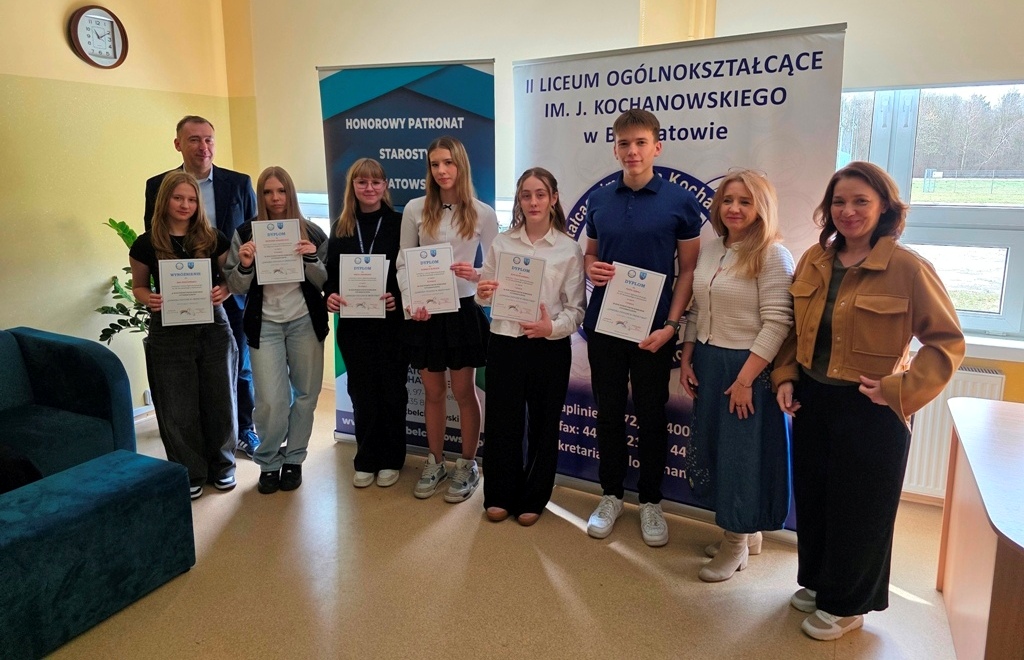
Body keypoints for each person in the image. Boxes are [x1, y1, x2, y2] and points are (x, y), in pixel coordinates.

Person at [772, 161, 965, 641]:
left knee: (860, 509)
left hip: (872, 407)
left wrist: (899, 390)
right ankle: (821, 583)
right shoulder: (814, 260)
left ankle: (849, 605)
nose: (849, 211)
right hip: (814, 399)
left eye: (861, 201)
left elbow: (946, 343)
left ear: (884, 208)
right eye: (839, 201)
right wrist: (786, 375)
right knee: (815, 499)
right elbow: (795, 331)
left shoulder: (909, 268)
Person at [582, 109, 702, 546]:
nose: (632, 151)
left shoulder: (680, 202)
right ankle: (611, 495)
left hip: (654, 331)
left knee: (652, 416)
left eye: (640, 143)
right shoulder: (599, 200)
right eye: (624, 144)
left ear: (657, 147)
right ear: (615, 149)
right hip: (605, 326)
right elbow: (590, 255)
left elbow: (688, 271)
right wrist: (591, 268)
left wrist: (672, 325)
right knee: (609, 413)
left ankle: (651, 501)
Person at [678, 170, 794, 581]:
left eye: (745, 201)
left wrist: (745, 380)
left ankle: (735, 544)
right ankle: (747, 532)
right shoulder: (712, 250)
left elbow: (778, 323)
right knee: (717, 449)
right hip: (709, 362)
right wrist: (687, 358)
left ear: (762, 208)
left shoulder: (773, 255)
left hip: (747, 369)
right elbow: (696, 309)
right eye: (728, 200)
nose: (734, 208)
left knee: (740, 457)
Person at [144, 115, 261, 460]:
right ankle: (205, 442)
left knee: (239, 367)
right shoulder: (157, 185)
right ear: (178, 144)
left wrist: (230, 285)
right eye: (194, 139)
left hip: (229, 296)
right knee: (191, 373)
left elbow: (252, 235)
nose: (203, 146)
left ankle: (244, 430)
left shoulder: (238, 183)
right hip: (181, 299)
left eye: (208, 139)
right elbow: (155, 241)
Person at [475, 167, 586, 526]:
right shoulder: (502, 243)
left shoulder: (568, 249)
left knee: (543, 423)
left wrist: (550, 327)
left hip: (548, 346)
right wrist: (482, 293)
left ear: (553, 198)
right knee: (502, 422)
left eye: (540, 194)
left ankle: (534, 497)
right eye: (526, 195)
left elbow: (576, 310)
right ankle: (499, 493)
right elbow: (483, 295)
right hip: (505, 342)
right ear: (519, 201)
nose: (533, 202)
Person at [395, 136, 498, 503]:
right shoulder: (415, 208)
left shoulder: (483, 213)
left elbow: (495, 269)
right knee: (433, 392)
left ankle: (467, 464)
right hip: (426, 314)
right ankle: (435, 461)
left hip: (463, 312)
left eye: (448, 163)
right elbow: (404, 262)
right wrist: (411, 304)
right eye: (435, 164)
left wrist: (476, 274)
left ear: (460, 165)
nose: (441, 170)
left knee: (465, 392)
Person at [130, 171, 238, 500]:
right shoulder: (146, 243)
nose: (185, 205)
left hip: (213, 327)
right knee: (177, 405)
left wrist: (224, 290)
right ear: (165, 200)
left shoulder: (213, 238)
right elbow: (139, 287)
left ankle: (223, 465)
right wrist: (149, 299)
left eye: (191, 199)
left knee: (221, 399)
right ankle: (189, 470)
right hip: (168, 332)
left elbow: (231, 279)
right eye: (178, 198)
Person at [224, 166, 328, 494]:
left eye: (281, 191)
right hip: (265, 324)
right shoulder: (246, 233)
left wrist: (311, 258)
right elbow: (235, 286)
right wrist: (245, 264)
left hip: (304, 322)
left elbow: (325, 281)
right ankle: (268, 461)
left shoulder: (312, 232)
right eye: (268, 192)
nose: (275, 198)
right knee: (270, 399)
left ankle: (294, 458)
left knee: (306, 394)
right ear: (261, 195)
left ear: (290, 193)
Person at [324, 158, 409, 489]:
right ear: (353, 186)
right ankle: (366, 458)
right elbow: (331, 275)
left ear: (385, 186)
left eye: (375, 182)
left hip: (391, 325)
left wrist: (397, 298)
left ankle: (391, 459)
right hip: (354, 327)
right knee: (362, 394)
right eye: (362, 182)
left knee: (392, 392)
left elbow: (409, 271)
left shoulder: (400, 224)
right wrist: (330, 296)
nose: (369, 188)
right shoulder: (341, 227)